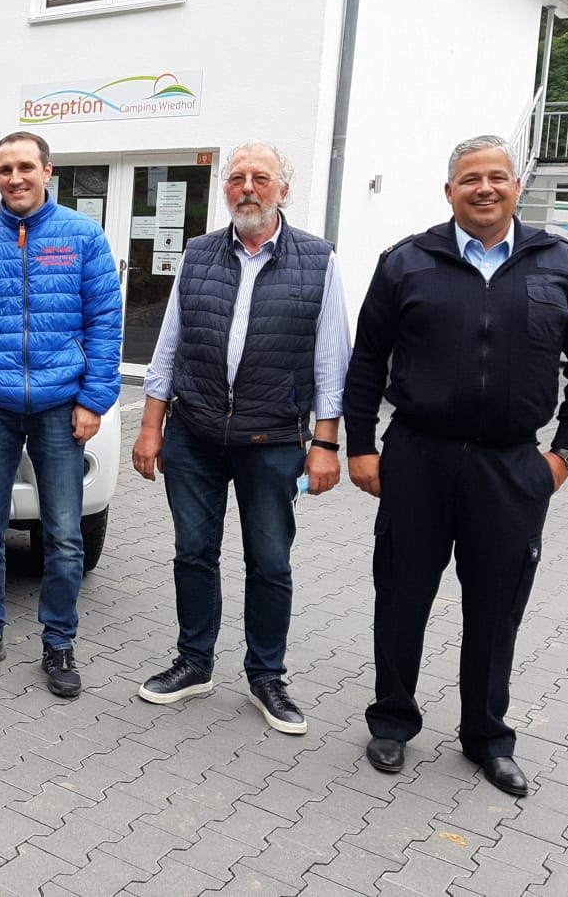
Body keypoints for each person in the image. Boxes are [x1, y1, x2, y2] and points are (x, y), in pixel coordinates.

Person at [344, 134, 568, 797]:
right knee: (401, 596)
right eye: (469, 179)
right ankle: (392, 721)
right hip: (417, 457)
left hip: (512, 467)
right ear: (449, 191)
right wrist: (361, 446)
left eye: (496, 178)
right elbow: (367, 360)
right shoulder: (407, 262)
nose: (483, 189)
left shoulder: (564, 265)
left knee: (496, 608)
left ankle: (487, 737)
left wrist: (563, 455)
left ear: (515, 187)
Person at [131, 141, 351, 734]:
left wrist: (325, 445)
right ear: (224, 189)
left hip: (275, 439)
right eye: (236, 178)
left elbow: (333, 362)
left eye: (261, 178)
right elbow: (169, 346)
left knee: (271, 561)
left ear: (284, 190)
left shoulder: (318, 259)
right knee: (193, 554)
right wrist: (150, 426)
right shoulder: (200, 254)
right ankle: (194, 662)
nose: (247, 188)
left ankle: (267, 677)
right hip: (194, 435)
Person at [0, 131, 122, 699]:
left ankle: (59, 641)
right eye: (4, 169)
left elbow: (105, 323)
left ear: (47, 170)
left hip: (60, 406)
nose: (15, 178)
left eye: (25, 167)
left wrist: (94, 400)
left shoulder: (84, 238)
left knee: (65, 535)